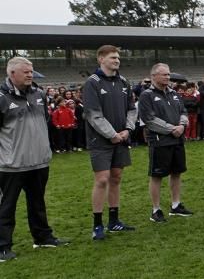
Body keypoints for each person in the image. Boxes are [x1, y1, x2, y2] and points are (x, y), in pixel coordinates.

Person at [0, 57, 68, 262]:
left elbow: (44, 123)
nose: (31, 74)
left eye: (31, 71)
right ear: (12, 74)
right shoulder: (2, 98)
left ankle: (42, 237)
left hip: (39, 161)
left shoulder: (39, 94)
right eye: (26, 71)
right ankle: (3, 246)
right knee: (6, 207)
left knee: (37, 203)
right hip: (11, 165)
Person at [83, 45, 138, 240]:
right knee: (102, 179)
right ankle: (97, 225)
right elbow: (92, 114)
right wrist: (112, 134)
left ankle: (114, 221)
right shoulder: (92, 83)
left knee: (116, 178)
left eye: (118, 58)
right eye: (113, 57)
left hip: (121, 138)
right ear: (101, 59)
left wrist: (128, 130)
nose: (117, 60)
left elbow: (132, 109)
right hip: (101, 140)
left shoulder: (123, 81)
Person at [138, 63, 193, 223]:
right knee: (157, 175)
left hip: (177, 139)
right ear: (154, 76)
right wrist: (171, 129)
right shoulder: (146, 95)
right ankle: (156, 209)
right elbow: (149, 119)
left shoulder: (174, 94)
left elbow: (183, 111)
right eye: (164, 75)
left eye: (168, 75)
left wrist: (182, 125)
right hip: (159, 141)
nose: (168, 77)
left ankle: (176, 205)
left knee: (177, 172)